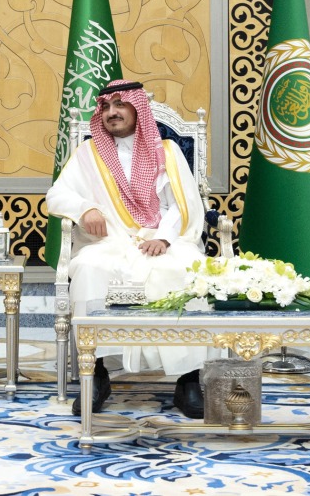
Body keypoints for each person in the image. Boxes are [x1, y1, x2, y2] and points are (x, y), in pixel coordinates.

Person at [46, 80, 215, 417]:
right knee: (90, 269)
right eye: (106, 107)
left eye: (120, 105)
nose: (112, 112)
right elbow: (57, 195)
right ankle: (96, 375)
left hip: (165, 239)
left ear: (137, 109)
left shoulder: (168, 151)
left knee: (186, 270)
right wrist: (84, 209)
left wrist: (163, 238)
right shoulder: (88, 154)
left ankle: (189, 380)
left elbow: (181, 205)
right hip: (110, 242)